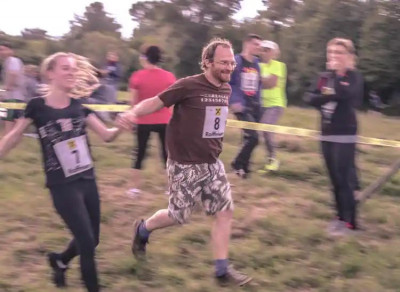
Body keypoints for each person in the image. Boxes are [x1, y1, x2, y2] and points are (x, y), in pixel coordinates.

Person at [119, 38, 252, 286]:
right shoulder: (188, 86)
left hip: (212, 163)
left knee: (225, 212)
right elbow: (155, 102)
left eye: (231, 63)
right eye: (223, 63)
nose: (229, 67)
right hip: (184, 164)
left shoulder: (225, 88)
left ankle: (221, 271)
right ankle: (143, 229)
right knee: (178, 216)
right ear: (207, 62)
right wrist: (132, 112)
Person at [0, 52, 128, 291]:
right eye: (65, 68)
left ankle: (60, 260)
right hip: (62, 186)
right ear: (50, 73)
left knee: (93, 239)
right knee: (87, 243)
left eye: (73, 69)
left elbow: (107, 136)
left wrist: (119, 127)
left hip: (88, 180)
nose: (71, 72)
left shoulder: (80, 107)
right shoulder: (37, 107)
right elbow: (14, 135)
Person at [304, 38, 364, 236]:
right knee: (333, 178)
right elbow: (310, 97)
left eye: (339, 53)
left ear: (349, 57)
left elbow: (349, 95)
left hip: (345, 134)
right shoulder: (323, 76)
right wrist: (330, 94)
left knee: (345, 177)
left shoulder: (354, 76)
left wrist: (337, 79)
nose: (334, 56)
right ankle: (339, 216)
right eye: (331, 52)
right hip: (326, 134)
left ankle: (351, 223)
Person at [128, 45, 175, 194]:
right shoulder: (169, 77)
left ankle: (135, 188)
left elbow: (133, 102)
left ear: (144, 57)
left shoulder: (137, 76)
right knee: (167, 154)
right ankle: (170, 188)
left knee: (139, 153)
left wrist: (131, 118)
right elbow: (172, 101)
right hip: (165, 120)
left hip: (143, 120)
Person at [229, 34, 262, 178]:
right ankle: (237, 163)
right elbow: (228, 83)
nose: (258, 48)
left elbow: (258, 84)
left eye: (259, 45)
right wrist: (234, 101)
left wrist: (258, 102)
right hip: (240, 105)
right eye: (255, 44)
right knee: (254, 138)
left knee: (248, 138)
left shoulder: (256, 63)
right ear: (247, 44)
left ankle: (244, 170)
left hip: (255, 105)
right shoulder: (236, 61)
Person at [258, 40, 287, 173]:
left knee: (266, 130)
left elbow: (271, 83)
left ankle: (273, 159)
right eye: (263, 49)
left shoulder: (279, 65)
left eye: (269, 50)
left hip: (275, 104)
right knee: (252, 132)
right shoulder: (257, 65)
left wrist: (256, 79)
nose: (265, 52)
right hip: (259, 103)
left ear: (275, 53)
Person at [0, 42, 26, 136]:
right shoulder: (12, 61)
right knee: (15, 123)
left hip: (12, 97)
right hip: (17, 97)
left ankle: (5, 145)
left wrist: (6, 88)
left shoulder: (12, 60)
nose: (0, 52)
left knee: (9, 122)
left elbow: (13, 74)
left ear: (11, 51)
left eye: (3, 49)